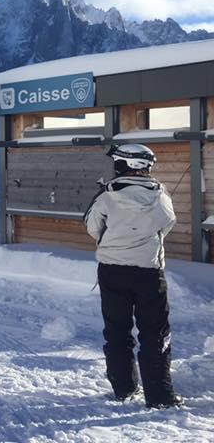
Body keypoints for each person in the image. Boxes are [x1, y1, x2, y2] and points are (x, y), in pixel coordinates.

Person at [84, 143, 182, 409]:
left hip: (112, 269)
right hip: (148, 270)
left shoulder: (107, 194)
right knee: (155, 332)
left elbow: (92, 226)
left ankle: (124, 388)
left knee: (117, 330)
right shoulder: (160, 194)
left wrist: (116, 239)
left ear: (124, 165)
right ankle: (160, 396)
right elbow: (167, 223)